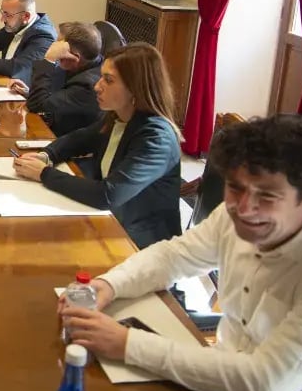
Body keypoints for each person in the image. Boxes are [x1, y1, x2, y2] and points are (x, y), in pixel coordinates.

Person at [60, 115, 302, 391]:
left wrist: (127, 344)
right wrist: (108, 284)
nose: (244, 208)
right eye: (235, 187)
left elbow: (264, 384)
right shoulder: (231, 214)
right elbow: (173, 256)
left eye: (268, 196)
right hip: (217, 376)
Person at [13, 43, 182, 249]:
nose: (97, 85)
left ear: (136, 88)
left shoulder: (156, 138)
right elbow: (81, 138)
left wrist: (44, 174)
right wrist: (47, 155)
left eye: (108, 80)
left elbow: (108, 195)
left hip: (138, 247)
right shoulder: (120, 115)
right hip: (108, 223)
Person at [10, 21, 103, 136]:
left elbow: (36, 106)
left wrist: (48, 59)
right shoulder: (85, 65)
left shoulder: (87, 85)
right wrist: (29, 93)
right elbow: (54, 99)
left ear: (75, 57)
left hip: (64, 142)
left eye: (59, 49)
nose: (54, 50)